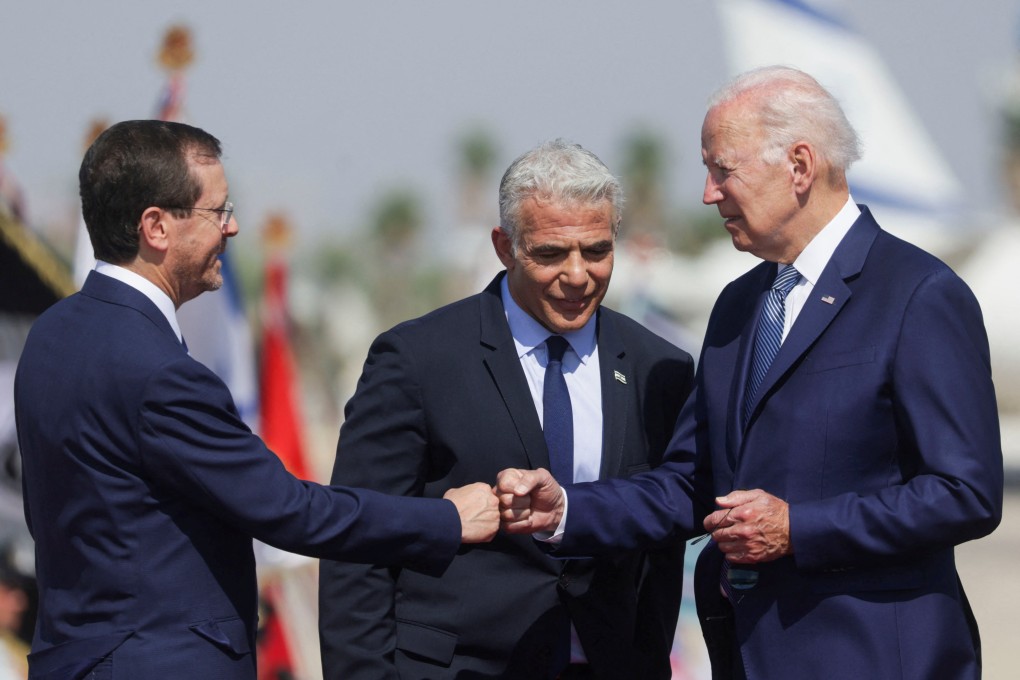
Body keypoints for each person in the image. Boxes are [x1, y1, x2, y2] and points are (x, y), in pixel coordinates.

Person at [497, 66, 1003, 680]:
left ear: (799, 165)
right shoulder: (740, 305)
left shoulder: (918, 295)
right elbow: (692, 482)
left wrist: (798, 528)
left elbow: (966, 493)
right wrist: (565, 511)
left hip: (877, 657)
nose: (709, 193)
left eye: (722, 170)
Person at [14, 119, 498, 680]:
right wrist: (445, 518)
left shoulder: (51, 334)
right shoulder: (161, 374)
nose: (234, 226)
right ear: (156, 227)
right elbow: (290, 511)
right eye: (217, 211)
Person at [318, 139, 694, 679]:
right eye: (550, 254)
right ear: (503, 246)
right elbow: (359, 541)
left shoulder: (660, 368)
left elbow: (665, 527)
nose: (577, 275)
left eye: (596, 250)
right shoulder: (419, 359)